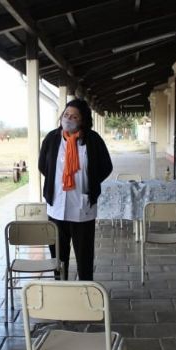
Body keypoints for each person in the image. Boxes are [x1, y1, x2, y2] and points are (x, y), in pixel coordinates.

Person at [39, 98, 113, 281]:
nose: (68, 119)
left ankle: (85, 292)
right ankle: (61, 290)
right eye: (66, 114)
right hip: (56, 208)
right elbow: (43, 165)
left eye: (74, 116)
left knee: (84, 259)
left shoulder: (93, 140)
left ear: (83, 120)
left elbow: (106, 166)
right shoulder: (52, 138)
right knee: (58, 259)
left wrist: (89, 182)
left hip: (82, 209)